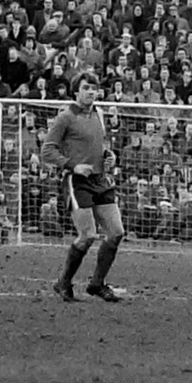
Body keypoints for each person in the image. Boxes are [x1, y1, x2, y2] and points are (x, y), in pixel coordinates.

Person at [40, 73, 126, 302]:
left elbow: (100, 144)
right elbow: (47, 150)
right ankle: (63, 282)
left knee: (116, 232)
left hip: (100, 180)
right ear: (76, 91)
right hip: (77, 182)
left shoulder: (98, 113)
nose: (91, 92)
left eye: (94, 88)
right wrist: (72, 165)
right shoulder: (65, 117)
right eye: (86, 88)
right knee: (87, 235)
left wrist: (109, 155)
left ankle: (97, 284)